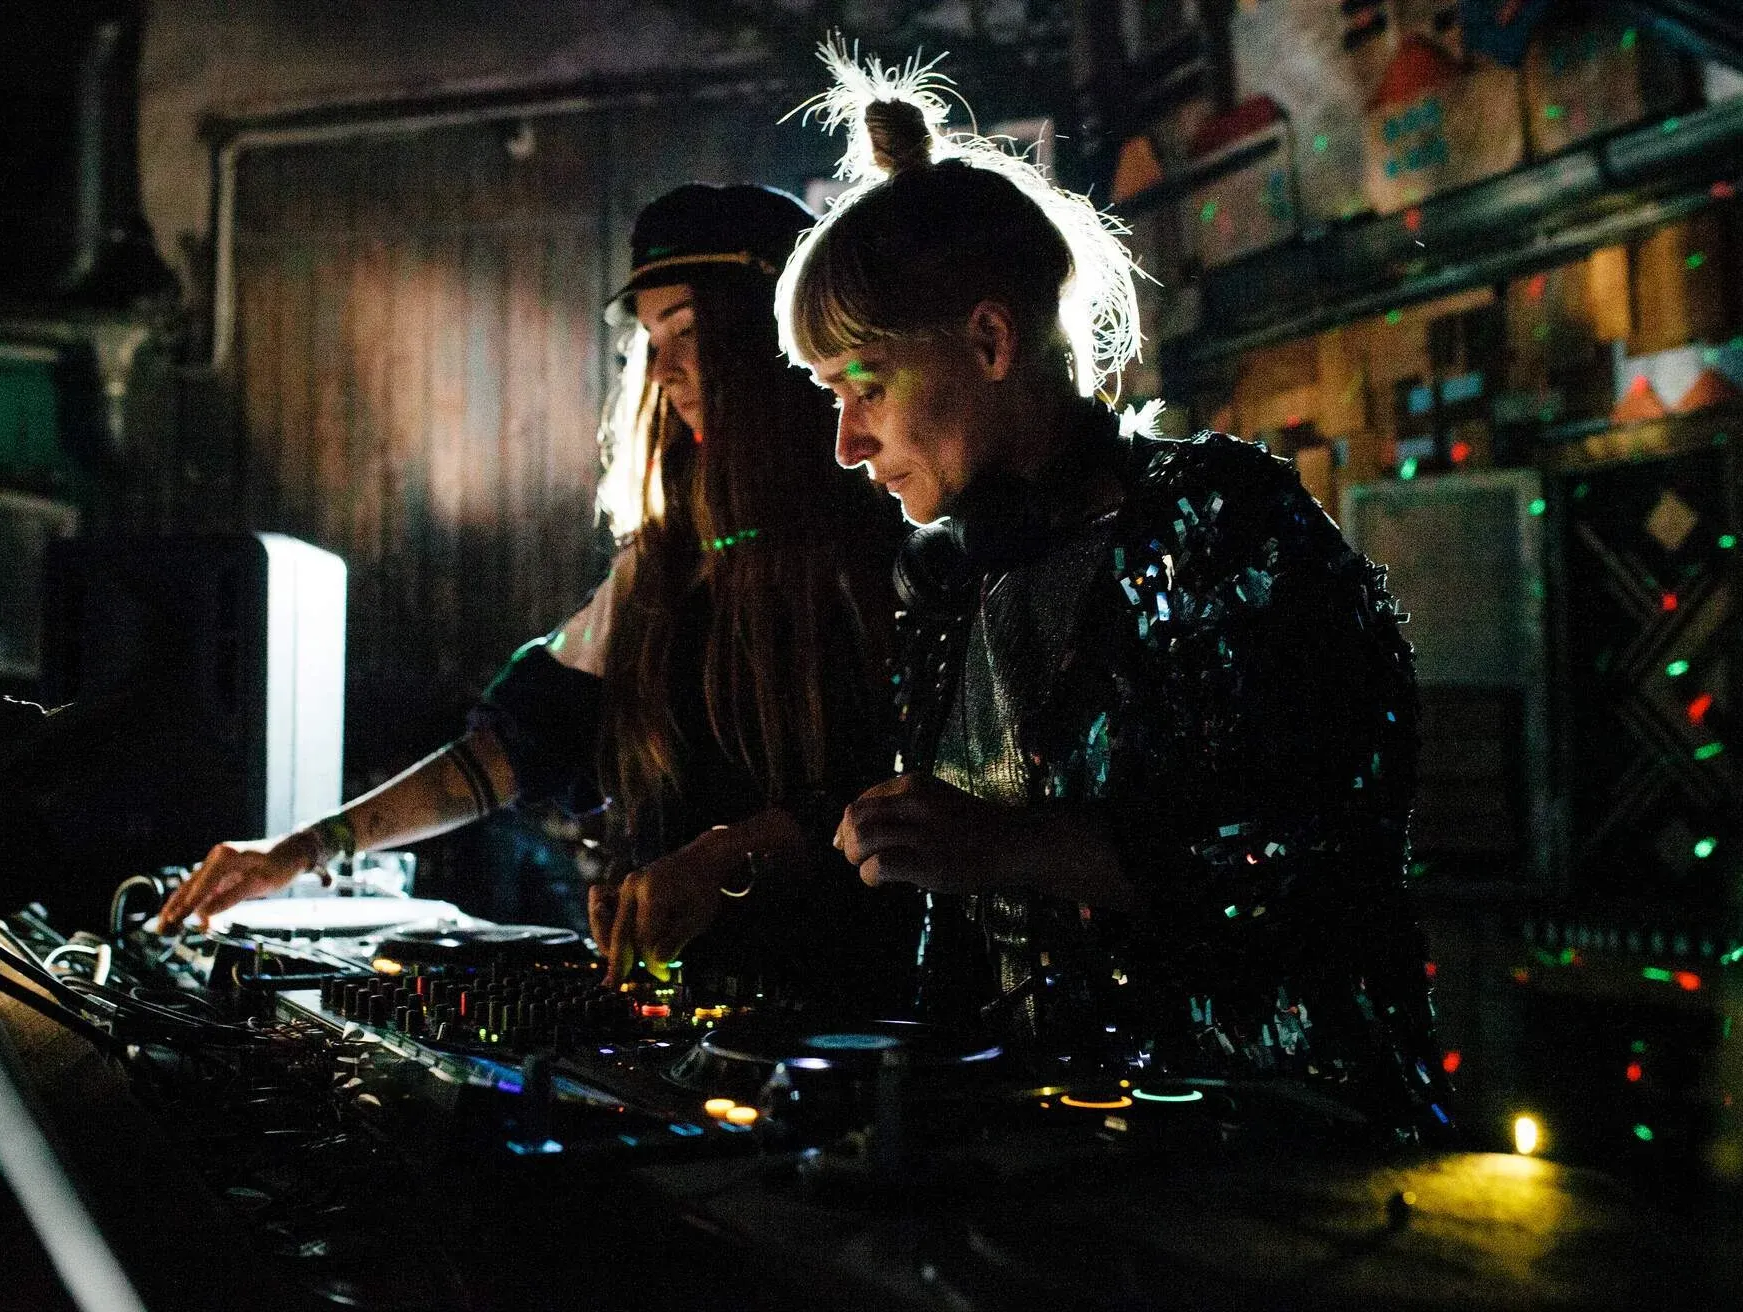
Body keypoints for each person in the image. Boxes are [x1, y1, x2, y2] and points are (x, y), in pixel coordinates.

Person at [779, 47, 1449, 1138]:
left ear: (990, 341)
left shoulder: (1228, 525)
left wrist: (1008, 845)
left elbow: (1320, 860)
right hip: (1055, 1172)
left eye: (864, 389)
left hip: (1285, 1164)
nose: (850, 444)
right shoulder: (957, 578)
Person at [156, 183, 917, 1011]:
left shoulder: (897, 536)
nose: (662, 371)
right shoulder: (660, 575)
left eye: (690, 333)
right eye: (651, 341)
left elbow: (910, 793)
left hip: (871, 1022)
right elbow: (511, 751)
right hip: (709, 1030)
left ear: (776, 341)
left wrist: (726, 858)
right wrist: (302, 849)